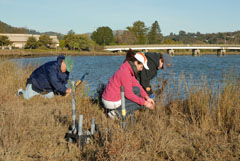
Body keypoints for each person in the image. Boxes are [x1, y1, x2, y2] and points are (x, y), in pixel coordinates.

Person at [102, 49, 155, 119]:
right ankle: (115, 114)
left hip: (109, 97)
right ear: (136, 63)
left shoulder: (127, 68)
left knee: (137, 90)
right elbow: (129, 95)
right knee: (140, 104)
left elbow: (137, 85)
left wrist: (147, 97)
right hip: (111, 101)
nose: (141, 69)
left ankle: (119, 111)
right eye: (141, 66)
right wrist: (145, 103)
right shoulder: (125, 72)